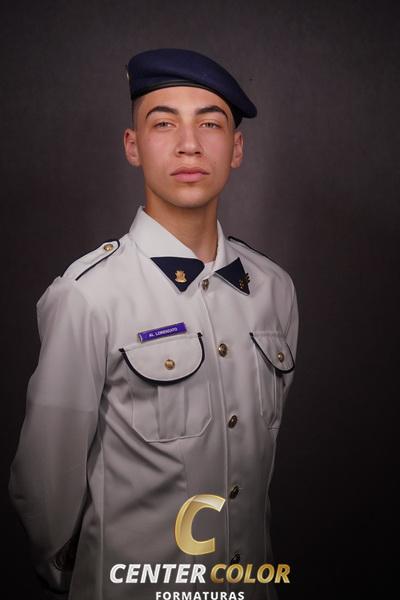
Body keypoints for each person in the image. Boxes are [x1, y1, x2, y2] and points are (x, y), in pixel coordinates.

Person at [9, 48, 299, 600]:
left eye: (210, 123)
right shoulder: (88, 295)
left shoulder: (273, 290)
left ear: (237, 148)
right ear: (132, 145)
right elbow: (44, 492)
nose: (189, 144)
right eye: (163, 123)